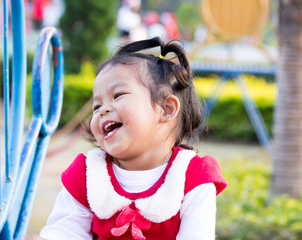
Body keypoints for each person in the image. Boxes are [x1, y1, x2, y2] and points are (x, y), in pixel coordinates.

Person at [39, 37, 228, 240]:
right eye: (96, 106)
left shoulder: (193, 177)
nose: (103, 110)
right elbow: (64, 232)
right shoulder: (89, 174)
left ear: (167, 109)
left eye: (118, 95)